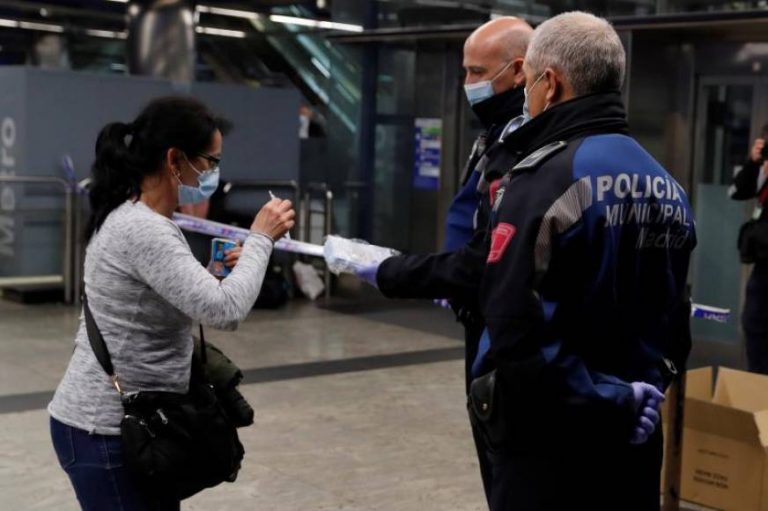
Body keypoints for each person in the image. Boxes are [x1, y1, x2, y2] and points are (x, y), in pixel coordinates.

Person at [469, 12, 696, 510]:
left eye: (526, 83)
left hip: (550, 446)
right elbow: (676, 323)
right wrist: (641, 396)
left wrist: (606, 401)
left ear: (549, 84)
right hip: (636, 436)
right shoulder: (669, 187)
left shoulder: (542, 182)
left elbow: (514, 331)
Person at [47, 96, 295, 511]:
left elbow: (160, 295)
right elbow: (226, 310)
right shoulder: (145, 229)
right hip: (107, 430)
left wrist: (212, 273)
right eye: (210, 162)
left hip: (140, 423)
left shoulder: (137, 216)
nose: (214, 173)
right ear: (174, 160)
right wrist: (261, 239)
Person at [354, 17, 532, 504]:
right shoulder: (493, 136)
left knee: (509, 475)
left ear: (519, 72)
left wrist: (391, 271)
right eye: (465, 72)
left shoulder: (528, 147)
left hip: (505, 331)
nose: (468, 85)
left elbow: (490, 258)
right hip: (476, 315)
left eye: (478, 72)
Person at [731, 125, 768, 374]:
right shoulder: (762, 173)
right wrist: (754, 164)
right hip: (763, 270)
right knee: (754, 325)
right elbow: (737, 191)